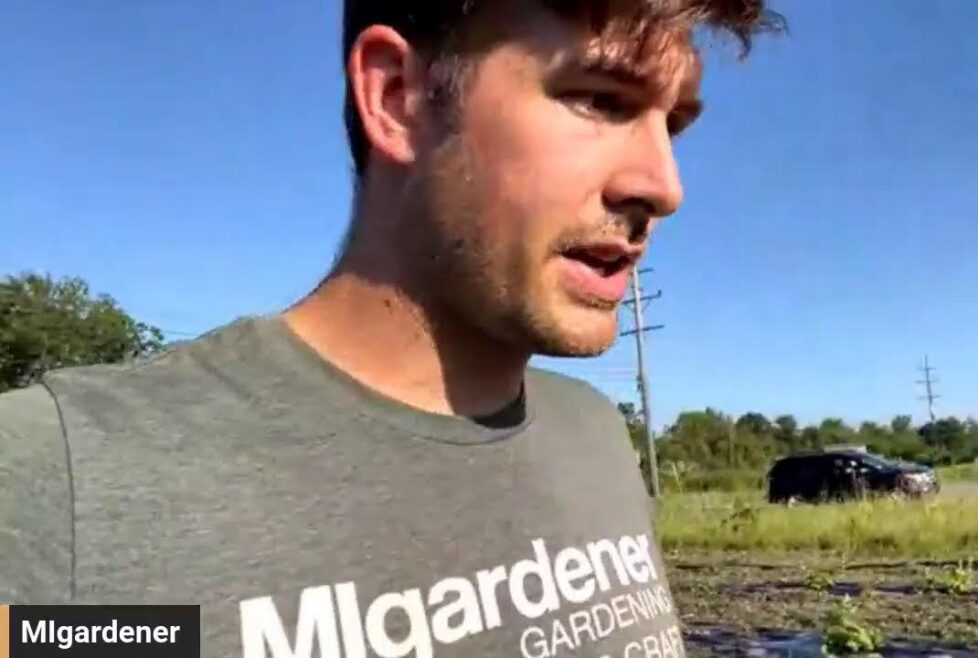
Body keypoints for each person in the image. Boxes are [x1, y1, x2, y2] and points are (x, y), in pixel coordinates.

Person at [0, 0, 781, 655]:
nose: (663, 185)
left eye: (670, 122)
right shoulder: (63, 484)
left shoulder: (595, 438)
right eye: (600, 100)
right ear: (397, 95)